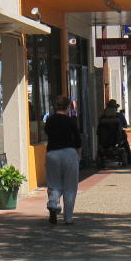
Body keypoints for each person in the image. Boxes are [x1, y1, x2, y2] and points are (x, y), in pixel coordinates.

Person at [44, 95, 82, 225]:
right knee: (70, 187)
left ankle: (53, 202)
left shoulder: (49, 120)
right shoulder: (71, 121)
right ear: (68, 107)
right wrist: (79, 154)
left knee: (53, 183)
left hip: (52, 153)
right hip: (69, 152)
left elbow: (47, 133)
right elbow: (77, 139)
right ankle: (68, 218)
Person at [98, 99, 131, 164]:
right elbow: (125, 125)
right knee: (125, 140)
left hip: (104, 140)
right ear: (116, 108)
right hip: (117, 139)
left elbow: (98, 131)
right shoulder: (119, 116)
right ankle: (129, 158)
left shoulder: (102, 117)